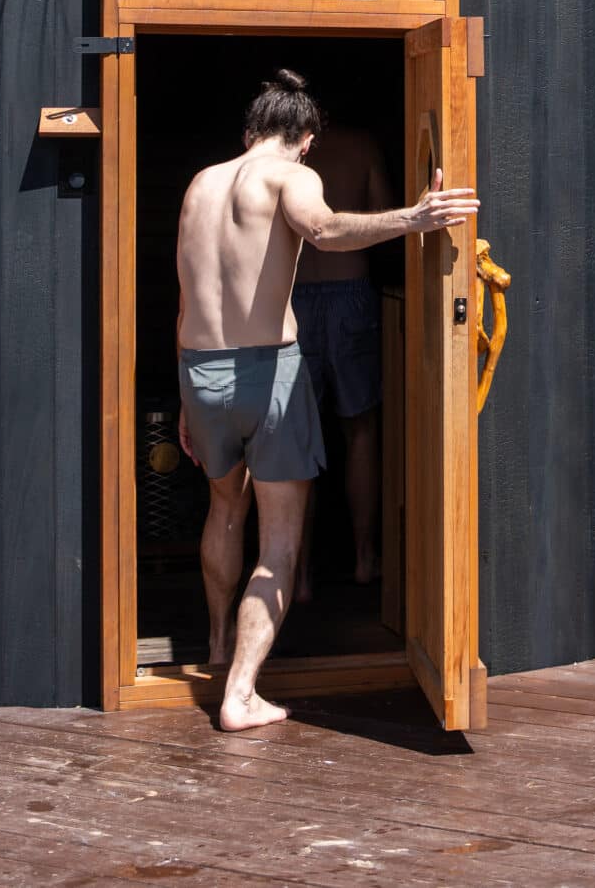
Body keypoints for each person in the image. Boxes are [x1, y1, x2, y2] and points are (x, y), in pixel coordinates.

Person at [175, 69, 477, 731]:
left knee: (226, 507)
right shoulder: (291, 175)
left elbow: (186, 294)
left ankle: (218, 645)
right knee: (279, 540)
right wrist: (416, 218)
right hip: (269, 372)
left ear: (248, 129)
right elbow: (326, 228)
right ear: (304, 139)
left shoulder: (200, 184)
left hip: (200, 370)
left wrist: (185, 398)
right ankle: (239, 693)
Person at [294, 118, 397, 592]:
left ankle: (298, 574)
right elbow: (382, 218)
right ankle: (363, 558)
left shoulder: (284, 155)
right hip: (350, 289)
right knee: (360, 430)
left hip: (293, 294)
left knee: (295, 439)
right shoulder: (361, 142)